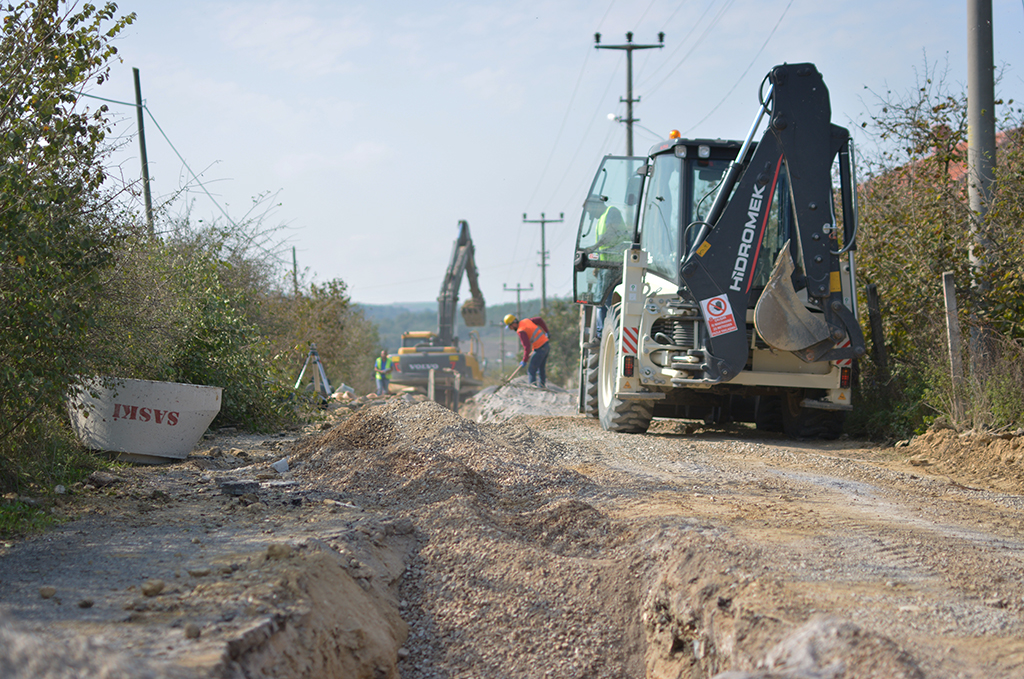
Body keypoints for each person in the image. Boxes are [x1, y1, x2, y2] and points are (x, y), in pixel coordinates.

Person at [504, 313, 550, 388]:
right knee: (541, 368)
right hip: (546, 345)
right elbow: (539, 320)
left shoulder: (521, 331)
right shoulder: (526, 321)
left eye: (510, 326)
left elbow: (527, 346)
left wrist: (524, 360)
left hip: (540, 348)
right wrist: (547, 331)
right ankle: (542, 386)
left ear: (513, 324)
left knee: (531, 370)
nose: (510, 329)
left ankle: (532, 388)